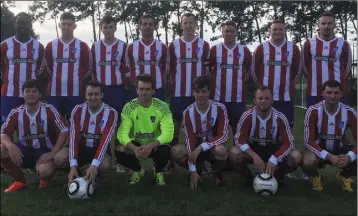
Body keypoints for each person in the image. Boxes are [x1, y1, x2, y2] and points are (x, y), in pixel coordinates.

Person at [0, 79, 69, 192]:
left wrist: (52, 152)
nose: (31, 94)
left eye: (34, 91)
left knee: (45, 171)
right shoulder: (16, 112)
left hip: (45, 150)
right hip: (24, 150)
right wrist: (10, 146)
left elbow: (64, 130)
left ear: (40, 94)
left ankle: (45, 178)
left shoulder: (48, 110)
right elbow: (3, 133)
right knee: (2, 149)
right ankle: (20, 181)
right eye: (27, 91)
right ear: (23, 94)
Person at [229, 86, 302, 186]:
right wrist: (254, 156)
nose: (263, 101)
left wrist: (274, 159)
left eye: (267, 98)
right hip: (253, 149)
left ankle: (276, 176)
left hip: (273, 149)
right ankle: (248, 177)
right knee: (234, 153)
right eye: (260, 98)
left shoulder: (280, 117)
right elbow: (239, 140)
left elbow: (288, 143)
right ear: (254, 101)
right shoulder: (247, 116)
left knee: (296, 156)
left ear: (272, 100)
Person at [167, 13, 210, 172]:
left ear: (196, 25)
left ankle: (202, 160)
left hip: (197, 95)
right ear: (181, 25)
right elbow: (170, 68)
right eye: (186, 23)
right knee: (175, 129)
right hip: (179, 94)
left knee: (200, 128)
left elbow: (207, 67)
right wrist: (174, 85)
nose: (189, 25)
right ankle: (171, 161)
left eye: (191, 23)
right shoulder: (174, 45)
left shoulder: (204, 45)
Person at [54, 80, 118, 184]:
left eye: (96, 94)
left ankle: (93, 172)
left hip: (97, 148)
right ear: (85, 95)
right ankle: (75, 171)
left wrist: (94, 164)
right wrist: (73, 166)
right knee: (58, 159)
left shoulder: (111, 113)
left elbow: (105, 142)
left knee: (104, 165)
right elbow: (73, 139)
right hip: (80, 147)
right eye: (90, 94)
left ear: (102, 95)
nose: (93, 97)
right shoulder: (78, 110)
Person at [170, 76, 229, 189]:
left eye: (204, 91)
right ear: (193, 92)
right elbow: (189, 139)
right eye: (197, 91)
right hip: (195, 150)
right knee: (176, 151)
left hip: (212, 149)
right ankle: (197, 169)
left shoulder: (220, 108)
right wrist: (192, 170)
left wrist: (202, 147)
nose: (200, 95)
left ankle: (217, 172)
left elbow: (223, 135)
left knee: (221, 150)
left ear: (209, 92)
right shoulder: (188, 112)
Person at [116, 74, 174, 186]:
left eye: (147, 89)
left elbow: (169, 132)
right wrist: (133, 148)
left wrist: (150, 145)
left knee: (166, 149)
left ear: (153, 91)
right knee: (120, 149)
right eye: (141, 89)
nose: (144, 92)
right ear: (136, 90)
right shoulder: (129, 107)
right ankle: (137, 170)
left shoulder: (162, 106)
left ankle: (158, 171)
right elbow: (121, 133)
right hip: (137, 145)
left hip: (155, 145)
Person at [301, 80, 357, 192]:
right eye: (329, 92)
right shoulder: (313, 111)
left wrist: (349, 156)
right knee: (307, 161)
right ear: (322, 93)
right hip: (319, 150)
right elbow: (308, 142)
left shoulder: (349, 112)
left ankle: (344, 174)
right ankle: (316, 176)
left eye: (336, 93)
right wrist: (329, 156)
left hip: (340, 150)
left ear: (341, 94)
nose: (332, 96)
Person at [91, 15, 129, 172]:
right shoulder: (95, 47)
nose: (107, 30)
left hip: (117, 90)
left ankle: (120, 161)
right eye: (105, 27)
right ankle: (104, 157)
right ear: (101, 29)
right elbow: (92, 69)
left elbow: (126, 69)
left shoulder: (123, 46)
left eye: (110, 27)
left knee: (120, 126)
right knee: (102, 125)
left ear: (115, 28)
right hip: (102, 91)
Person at [251, 20, 301, 129]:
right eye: (274, 29)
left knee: (286, 127)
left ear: (285, 31)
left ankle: (287, 146)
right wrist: (261, 88)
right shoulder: (261, 48)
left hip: (285, 96)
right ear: (269, 31)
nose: (277, 32)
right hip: (265, 97)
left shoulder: (293, 48)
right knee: (263, 126)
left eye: (280, 29)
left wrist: (290, 85)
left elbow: (298, 71)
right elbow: (253, 71)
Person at [43, 12, 91, 119]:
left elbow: (88, 69)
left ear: (74, 26)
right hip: (55, 93)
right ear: (59, 25)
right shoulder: (51, 45)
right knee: (54, 125)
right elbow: (47, 67)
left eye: (69, 24)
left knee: (75, 123)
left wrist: (77, 79)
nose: (66, 27)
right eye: (63, 24)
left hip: (75, 93)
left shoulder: (82, 46)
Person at [1, 12, 45, 125]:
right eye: (20, 23)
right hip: (9, 94)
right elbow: (2, 68)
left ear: (30, 25)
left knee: (30, 126)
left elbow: (41, 70)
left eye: (26, 23)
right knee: (6, 127)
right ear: (14, 24)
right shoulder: (5, 45)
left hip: (31, 95)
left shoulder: (38, 46)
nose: (23, 26)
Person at [302, 11, 352, 108]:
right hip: (314, 91)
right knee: (314, 120)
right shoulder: (309, 43)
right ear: (318, 25)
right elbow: (304, 66)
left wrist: (339, 81)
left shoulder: (343, 44)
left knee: (339, 120)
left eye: (329, 23)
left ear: (334, 25)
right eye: (323, 23)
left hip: (337, 92)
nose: (326, 26)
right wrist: (314, 78)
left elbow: (347, 69)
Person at [210, 20, 252, 135]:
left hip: (237, 100)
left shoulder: (244, 50)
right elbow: (208, 70)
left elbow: (250, 70)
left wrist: (242, 81)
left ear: (236, 33)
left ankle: (237, 152)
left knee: (238, 132)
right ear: (222, 33)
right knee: (217, 131)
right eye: (226, 31)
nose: (229, 34)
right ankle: (217, 152)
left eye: (231, 31)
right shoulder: (214, 50)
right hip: (218, 99)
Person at [125, 14, 167, 102]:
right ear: (139, 27)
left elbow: (166, 68)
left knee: (158, 115)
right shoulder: (131, 47)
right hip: (137, 90)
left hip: (157, 89)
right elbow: (128, 67)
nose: (147, 26)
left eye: (150, 24)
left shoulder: (162, 47)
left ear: (154, 27)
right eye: (145, 24)